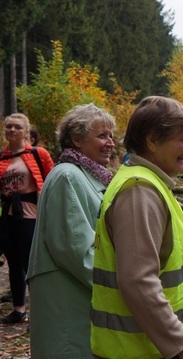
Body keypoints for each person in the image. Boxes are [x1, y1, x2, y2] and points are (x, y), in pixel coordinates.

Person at [90, 96, 183, 359]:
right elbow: (138, 282)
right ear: (152, 140)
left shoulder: (146, 183)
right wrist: (182, 344)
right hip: (145, 350)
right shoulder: (139, 191)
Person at [26, 104, 116, 357]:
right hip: (66, 299)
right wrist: (118, 286)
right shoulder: (68, 176)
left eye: (110, 135)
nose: (110, 142)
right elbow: (76, 251)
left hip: (76, 296)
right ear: (76, 139)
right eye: (102, 136)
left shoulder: (84, 175)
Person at [0, 113, 54, 324]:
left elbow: (52, 182)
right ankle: (19, 310)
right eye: (8, 127)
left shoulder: (38, 154)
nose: (12, 130)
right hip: (7, 216)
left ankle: (42, 311)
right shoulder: (2, 157)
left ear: (26, 131)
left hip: (30, 215)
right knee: (13, 263)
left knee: (31, 263)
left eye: (17, 127)